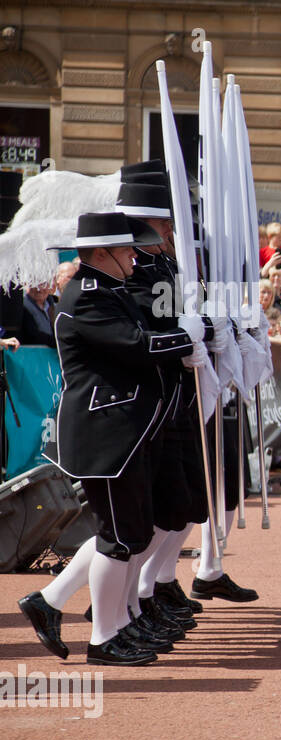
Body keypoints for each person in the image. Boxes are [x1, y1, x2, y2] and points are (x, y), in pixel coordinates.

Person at [23, 212, 200, 666]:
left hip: (124, 429)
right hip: (105, 433)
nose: (133, 258)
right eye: (125, 250)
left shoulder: (109, 291)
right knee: (118, 538)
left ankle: (112, 622)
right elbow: (138, 344)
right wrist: (187, 339)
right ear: (101, 253)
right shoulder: (86, 296)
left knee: (131, 533)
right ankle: (105, 636)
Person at [18, 282, 57, 347]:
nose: (39, 289)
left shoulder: (55, 306)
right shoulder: (22, 307)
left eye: (44, 284)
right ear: (27, 285)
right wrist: (58, 341)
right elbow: (31, 335)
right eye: (35, 284)